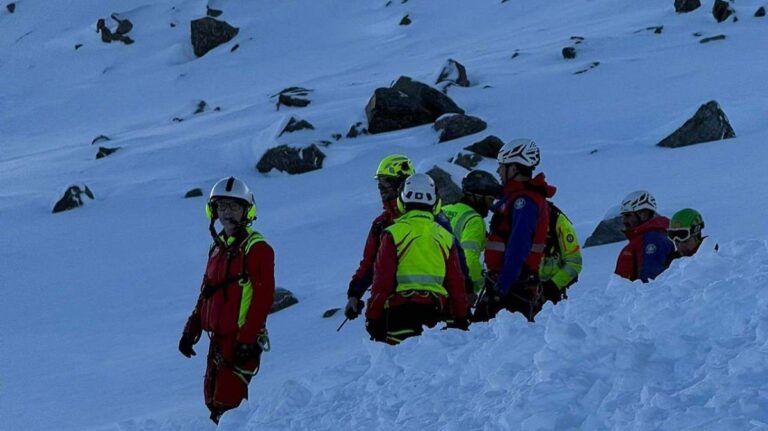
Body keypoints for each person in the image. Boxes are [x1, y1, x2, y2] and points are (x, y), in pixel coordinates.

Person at [179, 177, 275, 424]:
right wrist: (192, 327)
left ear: (246, 210)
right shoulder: (217, 248)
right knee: (212, 399)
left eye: (233, 206)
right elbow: (206, 291)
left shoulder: (257, 248)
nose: (226, 213)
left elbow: (263, 299)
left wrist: (247, 339)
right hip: (217, 340)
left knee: (228, 402)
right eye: (221, 207)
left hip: (240, 338)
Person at [365, 174, 469, 344]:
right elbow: (456, 282)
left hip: (401, 314)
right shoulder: (445, 236)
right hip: (437, 314)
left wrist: (373, 316)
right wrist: (461, 317)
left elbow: (382, 281)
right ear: (435, 203)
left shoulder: (393, 233)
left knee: (400, 367)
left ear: (402, 201)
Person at [476, 138, 556, 322]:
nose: (498, 171)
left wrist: (502, 285)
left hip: (513, 285)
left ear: (514, 169)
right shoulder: (520, 198)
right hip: (512, 281)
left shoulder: (523, 202)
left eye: (502, 166)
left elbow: (518, 244)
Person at [344, 155, 415, 321]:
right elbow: (370, 264)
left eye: (386, 182)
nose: (380, 188)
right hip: (392, 305)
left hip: (430, 301)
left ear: (402, 183)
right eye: (379, 183)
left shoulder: (431, 219)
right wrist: (355, 294)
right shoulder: (381, 224)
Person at [442, 170, 501, 297]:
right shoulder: (474, 220)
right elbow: (470, 259)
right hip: (453, 287)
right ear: (478, 196)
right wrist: (477, 285)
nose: (491, 205)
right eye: (490, 199)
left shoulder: (443, 210)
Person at [614, 190, 674, 283]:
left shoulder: (653, 239)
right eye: (623, 216)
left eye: (628, 215)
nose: (624, 220)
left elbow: (650, 280)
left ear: (643, 214)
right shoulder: (641, 239)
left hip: (640, 296)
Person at [539, 201, 582, 305]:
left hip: (550, 293)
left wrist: (553, 285)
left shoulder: (558, 222)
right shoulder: (515, 218)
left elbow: (574, 263)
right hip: (520, 289)